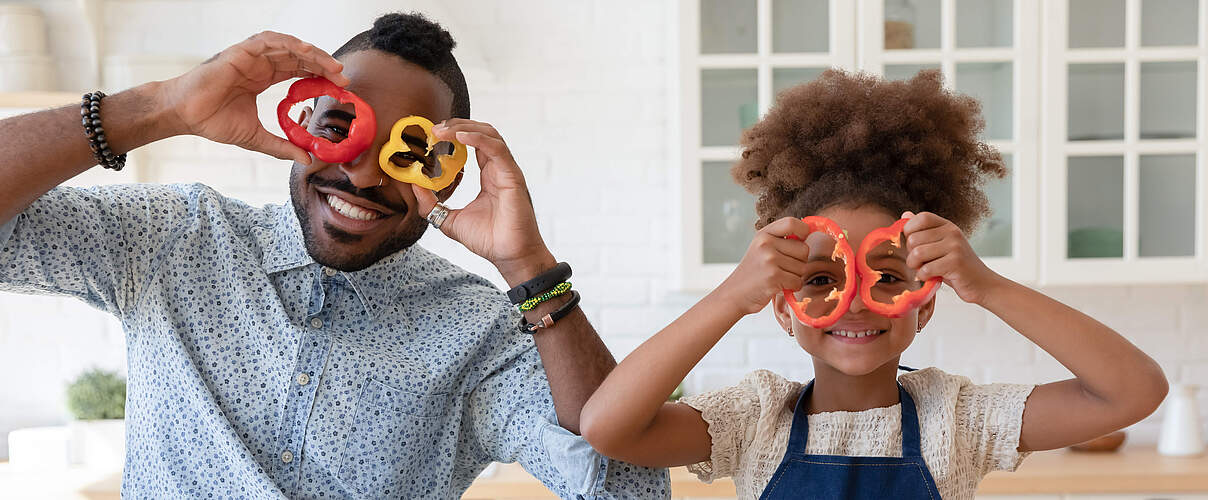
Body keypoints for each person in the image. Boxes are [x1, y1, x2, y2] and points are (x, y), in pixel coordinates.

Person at [0, 12, 668, 499]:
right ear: (306, 124)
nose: (364, 176)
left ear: (446, 177)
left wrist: (531, 268)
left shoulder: (479, 333)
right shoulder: (176, 237)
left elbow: (627, 490)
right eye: (342, 128)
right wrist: (161, 107)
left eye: (405, 153)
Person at [579, 69, 1168, 500]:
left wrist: (987, 285)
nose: (856, 301)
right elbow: (606, 428)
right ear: (784, 309)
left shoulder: (957, 420)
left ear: (925, 304)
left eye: (887, 276)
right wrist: (730, 297)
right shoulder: (753, 419)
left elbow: (1134, 392)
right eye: (820, 279)